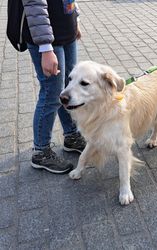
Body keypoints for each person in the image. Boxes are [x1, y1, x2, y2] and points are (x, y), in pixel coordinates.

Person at [22, 0, 85, 173]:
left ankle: (71, 136)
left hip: (66, 32)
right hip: (47, 41)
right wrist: (45, 47)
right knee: (52, 94)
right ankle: (41, 152)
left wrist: (75, 19)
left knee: (68, 89)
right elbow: (34, 5)